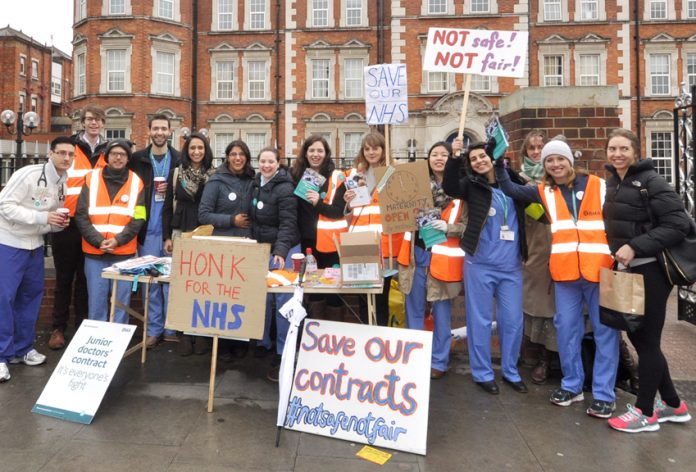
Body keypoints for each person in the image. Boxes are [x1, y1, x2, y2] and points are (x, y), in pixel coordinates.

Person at [495, 139, 619, 416]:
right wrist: (500, 165)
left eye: (559, 159)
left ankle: (603, 393)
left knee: (605, 331)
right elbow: (511, 190)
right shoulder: (544, 191)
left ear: (569, 161)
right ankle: (572, 385)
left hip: (599, 270)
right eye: (549, 161)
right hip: (565, 274)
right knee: (566, 329)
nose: (555, 164)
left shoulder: (598, 185)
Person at [601, 128, 692, 432]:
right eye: (612, 149)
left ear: (635, 151)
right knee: (640, 339)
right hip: (630, 270)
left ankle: (645, 412)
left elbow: (680, 224)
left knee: (648, 341)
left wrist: (636, 246)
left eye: (623, 149)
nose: (617, 154)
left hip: (651, 270)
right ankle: (674, 405)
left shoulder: (652, 181)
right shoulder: (614, 181)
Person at [442, 138, 528, 395]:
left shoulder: (514, 181)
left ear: (493, 157)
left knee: (512, 320)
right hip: (479, 263)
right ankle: (482, 373)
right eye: (473, 159)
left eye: (483, 156)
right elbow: (449, 187)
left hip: (511, 265)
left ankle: (511, 371)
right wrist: (455, 157)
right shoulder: (471, 185)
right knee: (478, 320)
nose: (479, 161)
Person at [0, 137, 73, 382]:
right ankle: (1, 356)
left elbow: (49, 218)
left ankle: (22, 349)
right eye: (61, 152)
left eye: (70, 154)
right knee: (4, 299)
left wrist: (59, 224)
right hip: (9, 242)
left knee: (30, 298)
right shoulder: (28, 174)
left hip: (35, 246)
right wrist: (44, 219)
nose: (66, 158)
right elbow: (5, 205)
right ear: (50, 153)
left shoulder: (64, 182)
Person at [397, 142, 465, 379]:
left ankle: (439, 360)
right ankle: (414, 357)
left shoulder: (460, 189)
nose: (439, 158)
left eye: (444, 155)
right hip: (416, 253)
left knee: (442, 311)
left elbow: (468, 225)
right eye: (434, 154)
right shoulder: (414, 186)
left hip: (443, 255)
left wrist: (450, 227)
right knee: (413, 309)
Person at [48, 106, 108, 350]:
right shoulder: (69, 148)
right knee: (64, 279)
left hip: (93, 224)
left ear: (103, 123)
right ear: (83, 122)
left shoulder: (109, 151)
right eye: (89, 119)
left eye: (98, 119)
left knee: (86, 279)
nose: (94, 123)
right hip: (68, 222)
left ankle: (82, 328)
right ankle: (58, 328)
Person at [75, 140, 146, 325]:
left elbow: (139, 218)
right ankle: (98, 345)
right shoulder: (91, 178)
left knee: (121, 304)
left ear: (128, 158)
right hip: (94, 252)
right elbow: (81, 214)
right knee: (96, 303)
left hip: (123, 254)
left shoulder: (137, 183)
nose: (118, 157)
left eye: (122, 154)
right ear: (107, 156)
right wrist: (98, 241)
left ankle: (117, 345)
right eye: (114, 153)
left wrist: (118, 241)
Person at [129, 114, 181, 348]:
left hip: (170, 231)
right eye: (155, 128)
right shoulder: (137, 159)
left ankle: (171, 327)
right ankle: (153, 329)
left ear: (170, 132)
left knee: (171, 281)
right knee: (150, 282)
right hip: (146, 230)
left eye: (164, 128)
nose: (160, 132)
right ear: (149, 131)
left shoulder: (180, 159)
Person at [162, 132, 215, 356]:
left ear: (206, 151)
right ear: (186, 150)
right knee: (183, 284)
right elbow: (166, 206)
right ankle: (184, 333)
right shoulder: (176, 174)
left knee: (203, 285)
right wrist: (167, 237)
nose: (196, 152)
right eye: (193, 148)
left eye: (200, 148)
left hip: (204, 232)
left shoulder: (213, 175)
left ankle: (201, 333)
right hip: (180, 230)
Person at [249, 147, 299, 380]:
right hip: (262, 248)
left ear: (278, 163)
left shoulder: (285, 187)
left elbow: (288, 223)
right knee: (261, 296)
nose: (266, 165)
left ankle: (283, 350)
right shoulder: (256, 183)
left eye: (271, 161)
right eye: (263, 161)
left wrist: (280, 251)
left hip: (284, 249)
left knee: (283, 300)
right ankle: (263, 341)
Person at [344, 132, 402, 326]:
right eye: (367, 149)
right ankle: (366, 338)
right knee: (363, 296)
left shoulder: (393, 173)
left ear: (383, 150)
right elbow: (349, 215)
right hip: (360, 244)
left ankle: (381, 337)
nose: (371, 152)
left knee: (381, 296)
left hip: (384, 245)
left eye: (375, 148)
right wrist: (348, 204)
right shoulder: (355, 175)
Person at [515, 130, 558, 384]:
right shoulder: (520, 180)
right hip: (535, 248)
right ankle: (542, 357)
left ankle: (553, 358)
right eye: (531, 148)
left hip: (561, 249)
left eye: (540, 147)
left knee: (559, 308)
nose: (536, 151)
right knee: (539, 307)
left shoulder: (557, 175)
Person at [290, 135, 348, 321]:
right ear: (305, 153)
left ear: (326, 153)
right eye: (311, 150)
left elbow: (338, 211)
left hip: (331, 242)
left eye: (320, 151)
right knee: (313, 289)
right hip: (307, 241)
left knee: (334, 289)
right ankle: (315, 336)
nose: (316, 154)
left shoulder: (335, 177)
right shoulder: (295, 175)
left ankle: (333, 335)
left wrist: (318, 203)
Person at [198, 139, 254, 238]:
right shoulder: (215, 181)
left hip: (247, 241)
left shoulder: (252, 181)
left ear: (247, 158)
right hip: (222, 240)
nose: (238, 158)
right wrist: (232, 220)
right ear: (227, 158)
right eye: (233, 154)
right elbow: (203, 215)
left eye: (242, 154)